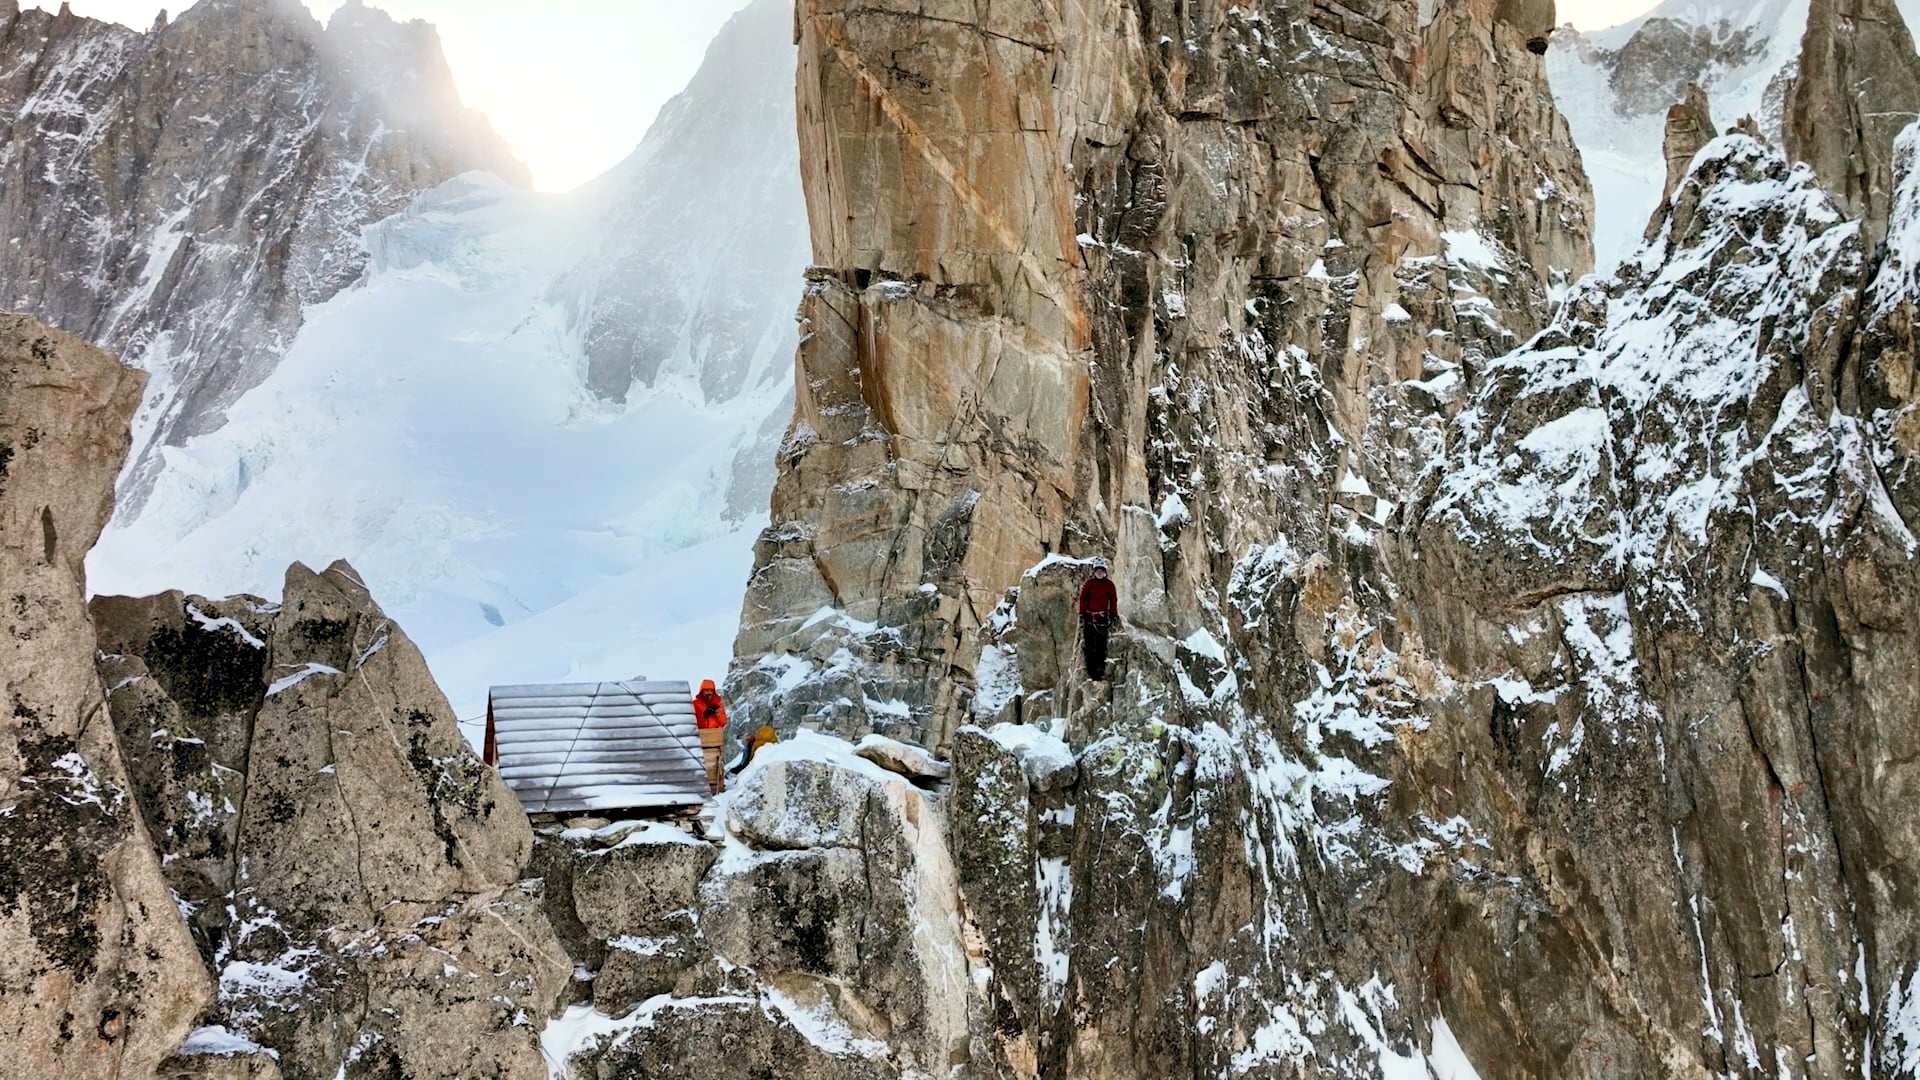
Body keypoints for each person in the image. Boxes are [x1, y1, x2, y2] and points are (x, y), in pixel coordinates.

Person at [1078, 557, 1118, 681]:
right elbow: (1082, 598)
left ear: (1104, 571)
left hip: (1102, 619)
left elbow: (1113, 600)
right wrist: (1081, 614)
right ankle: (1091, 671)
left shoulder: (1109, 585)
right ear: (1094, 571)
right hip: (1090, 618)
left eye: (1101, 570)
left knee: (1101, 645)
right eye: (1097, 570)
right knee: (1089, 646)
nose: (1099, 572)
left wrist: (1113, 615)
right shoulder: (1089, 584)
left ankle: (1100, 670)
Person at [693, 679, 728, 793]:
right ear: (701, 691)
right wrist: (704, 715)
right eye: (706, 690)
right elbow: (691, 719)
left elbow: (723, 722)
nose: (708, 693)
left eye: (710, 690)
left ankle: (715, 785)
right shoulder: (695, 704)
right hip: (699, 738)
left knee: (713, 764)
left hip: (714, 738)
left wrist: (716, 713)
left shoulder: (718, 705)